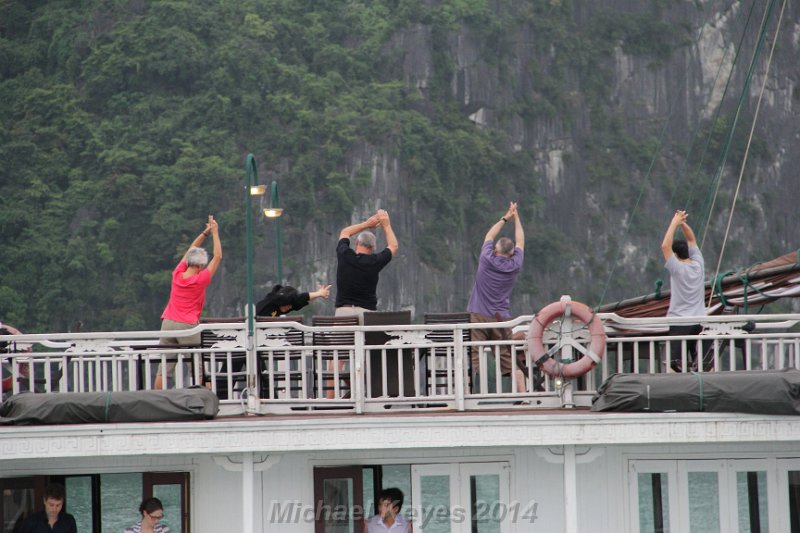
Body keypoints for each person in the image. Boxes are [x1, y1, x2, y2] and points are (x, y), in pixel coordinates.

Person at [155, 215, 222, 389]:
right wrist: (215, 232)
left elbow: (192, 249)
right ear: (200, 266)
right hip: (187, 325)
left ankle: (159, 402)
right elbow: (218, 257)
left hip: (168, 322)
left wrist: (205, 233)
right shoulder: (200, 279)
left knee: (164, 368)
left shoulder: (177, 274)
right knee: (198, 368)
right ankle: (204, 400)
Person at [467, 202, 526, 393]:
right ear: (511, 254)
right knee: (508, 356)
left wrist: (506, 217)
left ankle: (466, 394)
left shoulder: (486, 258)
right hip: (501, 318)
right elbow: (521, 242)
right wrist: (516, 218)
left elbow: (489, 236)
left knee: (473, 357)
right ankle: (523, 394)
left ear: (495, 250)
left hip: (477, 316)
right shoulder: (514, 265)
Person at [661, 209, 707, 371]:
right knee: (700, 361)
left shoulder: (677, 268)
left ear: (675, 254)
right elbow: (692, 239)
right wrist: (683, 223)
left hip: (680, 321)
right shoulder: (698, 264)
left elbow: (665, 246)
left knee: (675, 363)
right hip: (700, 321)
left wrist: (675, 222)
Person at [334, 209, 398, 324]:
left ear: (357, 243)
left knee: (341, 342)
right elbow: (393, 246)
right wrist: (386, 225)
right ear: (373, 247)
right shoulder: (375, 262)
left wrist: (367, 224)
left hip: (343, 314)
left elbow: (345, 232)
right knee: (370, 341)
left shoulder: (344, 255)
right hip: (367, 315)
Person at [256, 284, 332, 317]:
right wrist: (318, 293)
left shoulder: (280, 307)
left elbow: (300, 301)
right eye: (289, 304)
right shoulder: (273, 299)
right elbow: (300, 298)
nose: (290, 307)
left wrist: (318, 294)